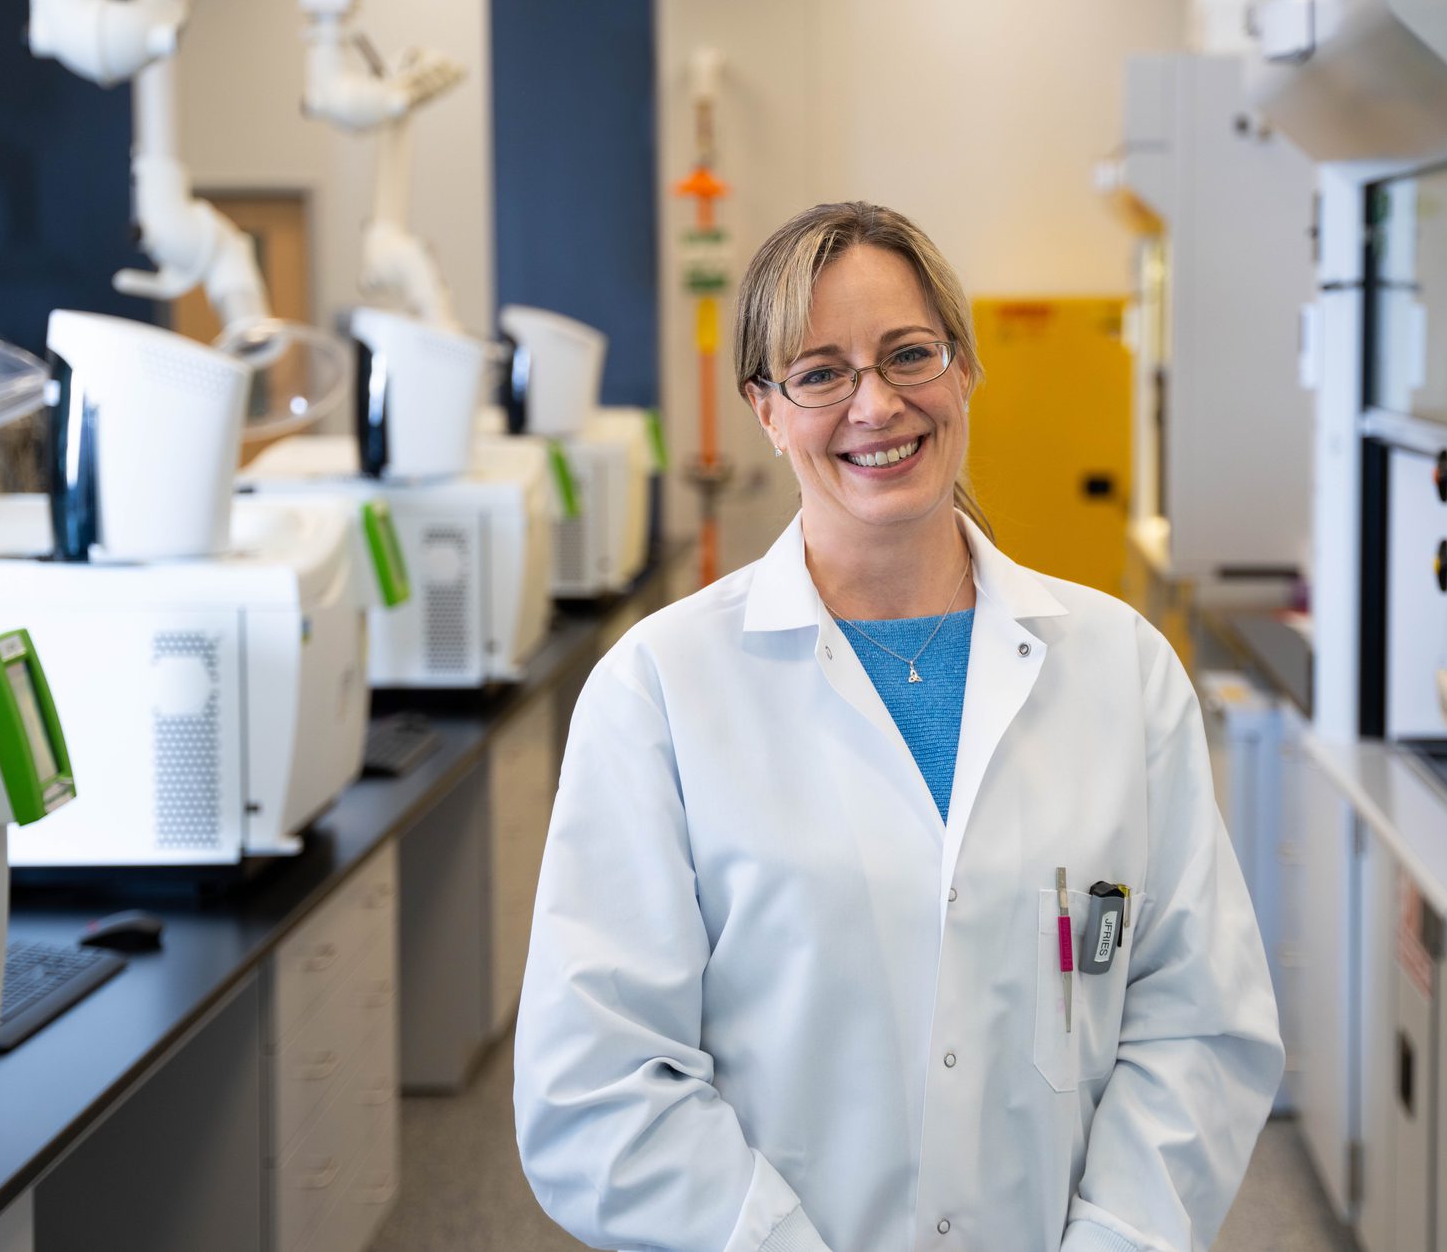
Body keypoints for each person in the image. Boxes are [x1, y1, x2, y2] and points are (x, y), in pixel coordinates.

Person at [513, 201, 1281, 1252]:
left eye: (907, 354)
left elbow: (1197, 1018)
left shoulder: (1120, 667)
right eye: (820, 373)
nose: (875, 404)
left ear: (961, 370)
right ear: (765, 410)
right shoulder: (658, 690)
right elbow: (594, 1083)